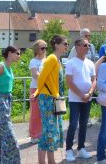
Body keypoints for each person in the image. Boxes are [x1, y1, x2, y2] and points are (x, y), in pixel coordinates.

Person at [33, 35, 67, 164]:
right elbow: (41, 78)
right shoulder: (52, 58)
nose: (66, 46)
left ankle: (51, 160)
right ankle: (43, 162)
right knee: (49, 131)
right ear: (57, 45)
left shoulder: (58, 60)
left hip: (54, 98)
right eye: (65, 43)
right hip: (47, 98)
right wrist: (37, 93)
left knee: (52, 131)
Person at [64, 39, 96, 162]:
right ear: (77, 47)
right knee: (73, 124)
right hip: (75, 99)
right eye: (85, 45)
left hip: (87, 98)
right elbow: (69, 82)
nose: (88, 47)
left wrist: (89, 93)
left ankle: (81, 148)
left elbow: (94, 80)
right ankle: (68, 149)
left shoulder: (90, 63)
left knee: (83, 124)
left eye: (89, 45)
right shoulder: (71, 63)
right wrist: (81, 95)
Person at [29, 40, 46, 144]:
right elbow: (35, 75)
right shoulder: (33, 61)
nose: (44, 50)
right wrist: (48, 79)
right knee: (35, 113)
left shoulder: (47, 60)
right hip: (35, 88)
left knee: (45, 112)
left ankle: (42, 133)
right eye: (42, 48)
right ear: (37, 49)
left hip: (47, 89)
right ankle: (34, 135)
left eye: (45, 48)